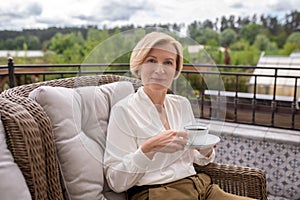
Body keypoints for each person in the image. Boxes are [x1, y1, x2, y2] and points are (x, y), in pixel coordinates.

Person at [104, 31, 255, 200]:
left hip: (200, 187)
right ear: (138, 66)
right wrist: (148, 149)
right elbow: (115, 181)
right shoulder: (124, 111)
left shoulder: (181, 104)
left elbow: (195, 159)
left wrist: (205, 151)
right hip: (157, 193)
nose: (160, 70)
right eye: (152, 60)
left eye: (168, 62)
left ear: (175, 70)